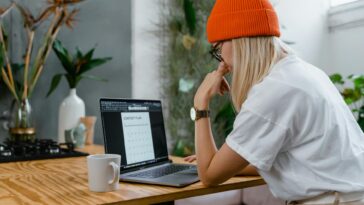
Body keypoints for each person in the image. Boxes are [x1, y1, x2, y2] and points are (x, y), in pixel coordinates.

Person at [186, 0, 364, 204]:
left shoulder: (272, 92)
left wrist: (200, 101)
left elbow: (209, 176)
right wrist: (221, 160)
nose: (222, 62)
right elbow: (282, 160)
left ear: (236, 41)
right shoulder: (303, 73)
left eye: (217, 49)